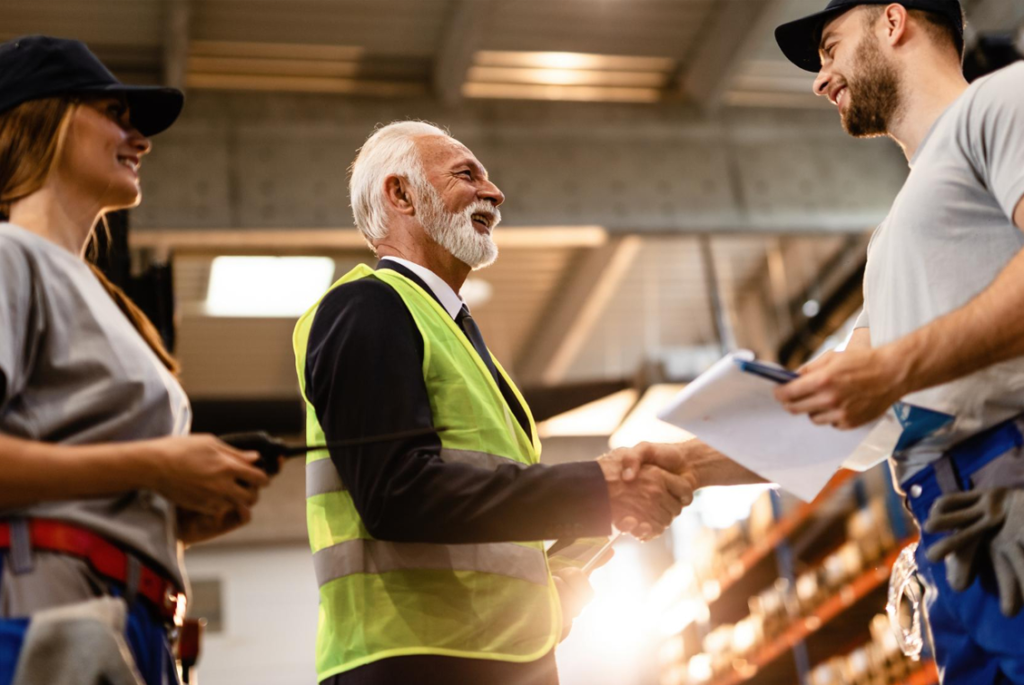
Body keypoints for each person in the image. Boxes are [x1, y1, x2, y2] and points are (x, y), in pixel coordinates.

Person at [292, 121, 697, 685]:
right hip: (413, 661)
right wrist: (595, 488)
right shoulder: (367, 306)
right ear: (401, 194)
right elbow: (396, 493)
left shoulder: (452, 332)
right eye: (466, 175)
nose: (495, 193)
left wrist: (563, 575)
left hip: (499, 660)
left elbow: (484, 518)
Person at [0, 36, 272, 684]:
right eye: (116, 114)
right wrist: (155, 464)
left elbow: (76, 479)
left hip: (133, 621)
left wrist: (175, 511)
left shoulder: (108, 302)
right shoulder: (11, 258)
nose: (140, 139)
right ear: (48, 116)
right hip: (49, 607)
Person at [765, 0, 1024, 680]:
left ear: (892, 21)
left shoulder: (1002, 101)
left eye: (829, 47)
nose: (822, 79)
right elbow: (851, 402)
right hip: (954, 525)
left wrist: (895, 368)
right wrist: (681, 465)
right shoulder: (892, 241)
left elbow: (884, 374)